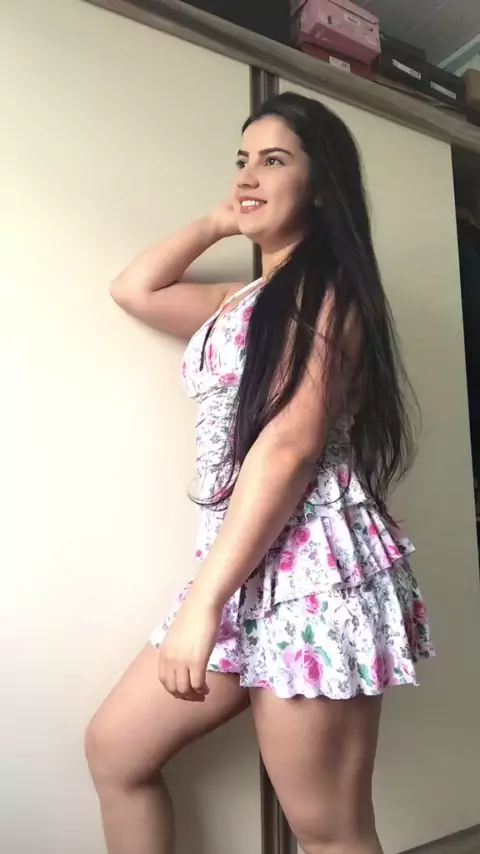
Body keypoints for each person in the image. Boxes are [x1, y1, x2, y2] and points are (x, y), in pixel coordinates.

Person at [85, 91, 434, 854]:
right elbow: (134, 289)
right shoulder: (240, 299)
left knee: (330, 832)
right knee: (115, 752)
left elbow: (290, 447)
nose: (248, 174)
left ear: (321, 184)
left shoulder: (327, 290)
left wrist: (203, 603)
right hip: (243, 561)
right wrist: (221, 220)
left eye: (274, 161)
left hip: (313, 568)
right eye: (241, 160)